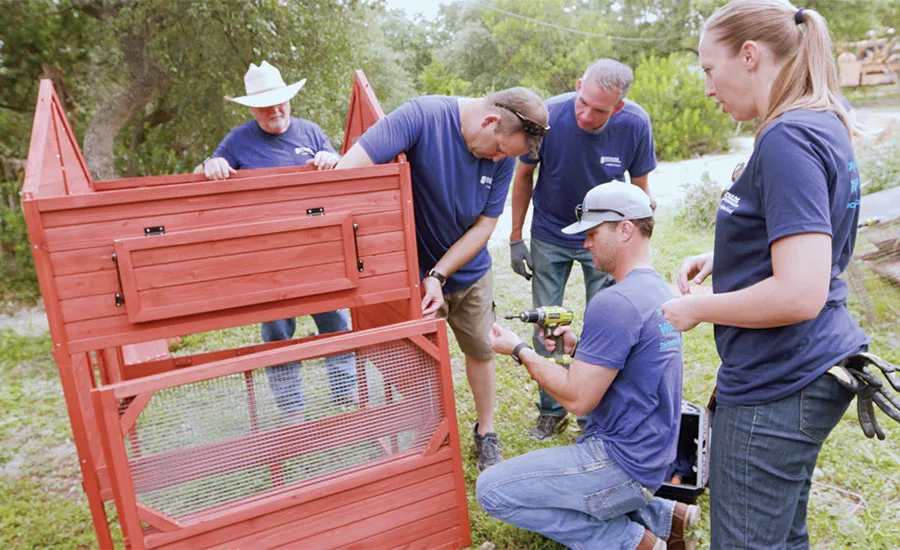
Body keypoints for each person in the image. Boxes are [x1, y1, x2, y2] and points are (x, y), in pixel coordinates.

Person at [661, 2, 869, 548]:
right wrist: (727, 260)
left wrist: (697, 307)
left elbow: (801, 291)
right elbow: (810, 239)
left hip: (778, 378)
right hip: (811, 364)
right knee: (780, 534)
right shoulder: (823, 119)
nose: (708, 88)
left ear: (749, 55)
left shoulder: (786, 137)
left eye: (709, 69)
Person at [336, 88, 549, 471]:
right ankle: (430, 433)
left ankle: (486, 432)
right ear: (489, 122)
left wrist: (440, 272)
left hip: (468, 272)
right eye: (499, 151)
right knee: (418, 361)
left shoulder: (503, 150)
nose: (500, 160)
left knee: (482, 350)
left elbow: (485, 225)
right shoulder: (421, 116)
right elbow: (346, 174)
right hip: (411, 276)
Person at [479, 182, 697, 550]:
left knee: (492, 490)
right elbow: (630, 366)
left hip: (620, 463)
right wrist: (580, 348)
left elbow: (578, 400)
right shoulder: (655, 289)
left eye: (593, 233)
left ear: (625, 229)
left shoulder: (615, 301)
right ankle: (666, 517)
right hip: (653, 458)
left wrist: (519, 350)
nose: (586, 243)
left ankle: (633, 541)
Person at [508, 59, 657, 440]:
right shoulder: (550, 116)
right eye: (583, 102)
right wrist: (515, 238)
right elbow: (523, 175)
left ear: (618, 108)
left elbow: (641, 193)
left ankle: (592, 413)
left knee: (604, 326)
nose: (587, 115)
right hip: (550, 233)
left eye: (600, 110)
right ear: (577, 85)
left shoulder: (635, 124)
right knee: (547, 323)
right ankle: (550, 409)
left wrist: (637, 250)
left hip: (606, 240)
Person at [204, 61, 357, 415]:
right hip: (267, 255)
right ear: (252, 108)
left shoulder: (311, 132)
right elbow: (209, 170)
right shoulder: (238, 139)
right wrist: (211, 165)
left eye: (280, 101)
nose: (275, 110)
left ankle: (345, 394)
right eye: (265, 104)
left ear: (289, 99)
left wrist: (332, 159)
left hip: (316, 249)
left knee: (335, 321)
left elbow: (342, 174)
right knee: (276, 333)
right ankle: (291, 409)